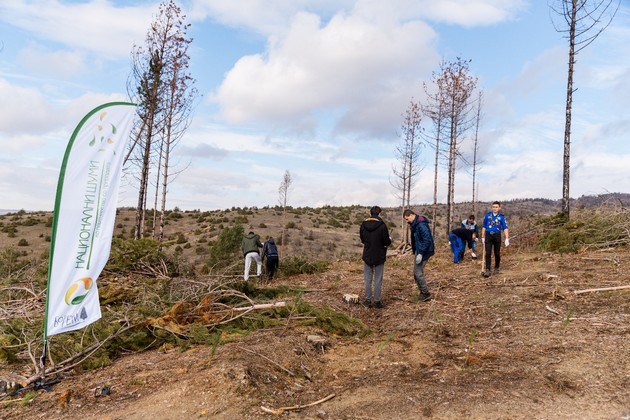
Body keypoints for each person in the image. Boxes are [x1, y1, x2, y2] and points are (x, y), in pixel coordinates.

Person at [359, 206, 392, 309]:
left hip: (367, 255)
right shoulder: (382, 226)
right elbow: (386, 241)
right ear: (379, 213)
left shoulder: (363, 225)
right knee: (378, 280)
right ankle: (377, 302)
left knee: (367, 279)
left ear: (370, 213)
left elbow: (363, 240)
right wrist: (389, 240)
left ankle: (368, 301)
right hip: (379, 255)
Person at [403, 209, 434, 302]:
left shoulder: (421, 224)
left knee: (418, 272)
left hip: (424, 251)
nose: (407, 221)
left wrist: (420, 253)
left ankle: (426, 293)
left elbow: (427, 240)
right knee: (416, 272)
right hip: (419, 249)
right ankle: (422, 292)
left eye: (407, 219)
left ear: (412, 215)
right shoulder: (415, 223)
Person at [481, 201, 510, 277]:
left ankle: (496, 267)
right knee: (488, 253)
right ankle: (487, 270)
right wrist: (483, 236)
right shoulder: (487, 216)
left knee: (497, 253)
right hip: (488, 235)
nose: (495, 208)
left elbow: (505, 228)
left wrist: (507, 238)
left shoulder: (501, 217)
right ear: (492, 207)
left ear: (499, 208)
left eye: (496, 207)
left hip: (497, 235)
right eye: (493, 207)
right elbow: (484, 226)